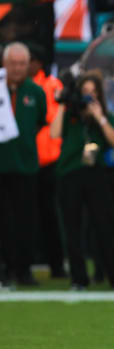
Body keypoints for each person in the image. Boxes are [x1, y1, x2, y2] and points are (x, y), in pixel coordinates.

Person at [50, 71, 114, 290]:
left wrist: (99, 117)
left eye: (93, 92)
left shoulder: (103, 114)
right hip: (69, 173)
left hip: (95, 174)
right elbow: (54, 134)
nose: (89, 96)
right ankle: (78, 279)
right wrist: (64, 104)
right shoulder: (69, 113)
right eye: (85, 92)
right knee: (72, 228)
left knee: (105, 226)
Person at [0, 43, 47, 286]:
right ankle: (4, 269)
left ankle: (23, 270)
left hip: (25, 166)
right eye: (12, 63)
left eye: (21, 64)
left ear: (28, 65)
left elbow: (40, 122)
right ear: (4, 64)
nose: (17, 68)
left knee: (25, 221)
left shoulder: (36, 92)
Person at [30, 46, 66, 279]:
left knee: (52, 215)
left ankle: (56, 265)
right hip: (25, 159)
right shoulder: (11, 87)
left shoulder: (53, 85)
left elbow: (53, 122)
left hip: (50, 160)